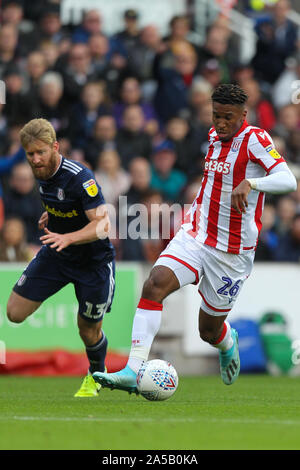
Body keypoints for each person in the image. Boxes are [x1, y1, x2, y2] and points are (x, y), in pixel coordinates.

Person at [93, 83, 296, 393]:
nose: (221, 123)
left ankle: (227, 339)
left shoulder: (255, 139)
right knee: (155, 283)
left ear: (243, 114)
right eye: (216, 116)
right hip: (197, 235)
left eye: (228, 117)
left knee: (208, 329)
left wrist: (252, 185)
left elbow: (288, 180)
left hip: (231, 252)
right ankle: (134, 368)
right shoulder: (214, 138)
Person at [6, 118, 115, 398]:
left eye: (41, 152)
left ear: (55, 147)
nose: (36, 159)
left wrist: (68, 236)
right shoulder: (40, 174)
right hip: (58, 255)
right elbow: (64, 202)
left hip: (93, 263)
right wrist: (53, 215)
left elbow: (103, 226)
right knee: (14, 312)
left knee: (88, 330)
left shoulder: (80, 177)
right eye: (30, 154)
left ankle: (95, 377)